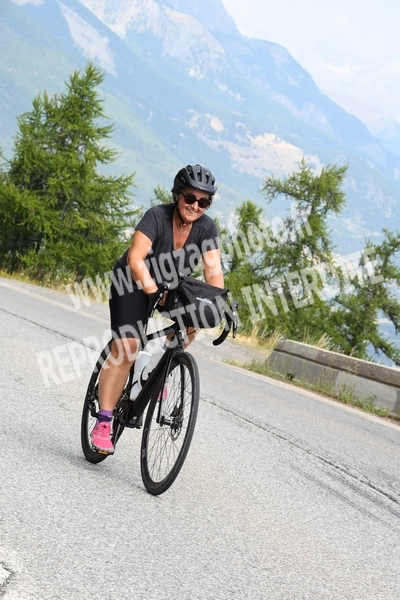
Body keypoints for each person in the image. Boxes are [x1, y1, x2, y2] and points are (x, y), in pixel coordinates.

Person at [91, 164, 224, 454]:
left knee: (195, 319)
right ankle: (103, 421)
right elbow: (135, 258)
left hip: (170, 287)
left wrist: (218, 302)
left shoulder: (207, 228)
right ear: (178, 195)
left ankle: (154, 370)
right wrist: (153, 290)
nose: (195, 206)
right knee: (127, 347)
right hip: (132, 282)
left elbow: (213, 274)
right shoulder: (156, 217)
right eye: (190, 198)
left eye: (203, 202)